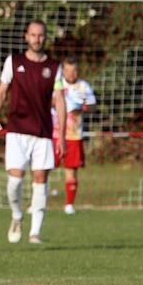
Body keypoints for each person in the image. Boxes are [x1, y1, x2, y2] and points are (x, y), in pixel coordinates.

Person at [0, 19, 66, 245]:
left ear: (45, 37)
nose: (37, 39)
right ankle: (17, 215)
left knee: (40, 179)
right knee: (15, 180)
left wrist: (60, 134)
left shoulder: (54, 67)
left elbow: (60, 100)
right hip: (16, 131)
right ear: (26, 36)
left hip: (42, 133)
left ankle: (35, 232)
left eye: (40, 35)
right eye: (33, 35)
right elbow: (2, 92)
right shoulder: (14, 62)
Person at [52, 57, 96, 215]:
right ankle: (37, 202)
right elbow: (46, 102)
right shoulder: (57, 84)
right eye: (68, 70)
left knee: (71, 170)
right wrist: (59, 103)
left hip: (74, 135)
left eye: (74, 70)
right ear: (63, 70)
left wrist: (82, 107)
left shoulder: (83, 86)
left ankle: (69, 205)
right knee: (42, 168)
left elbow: (92, 105)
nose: (71, 73)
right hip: (53, 134)